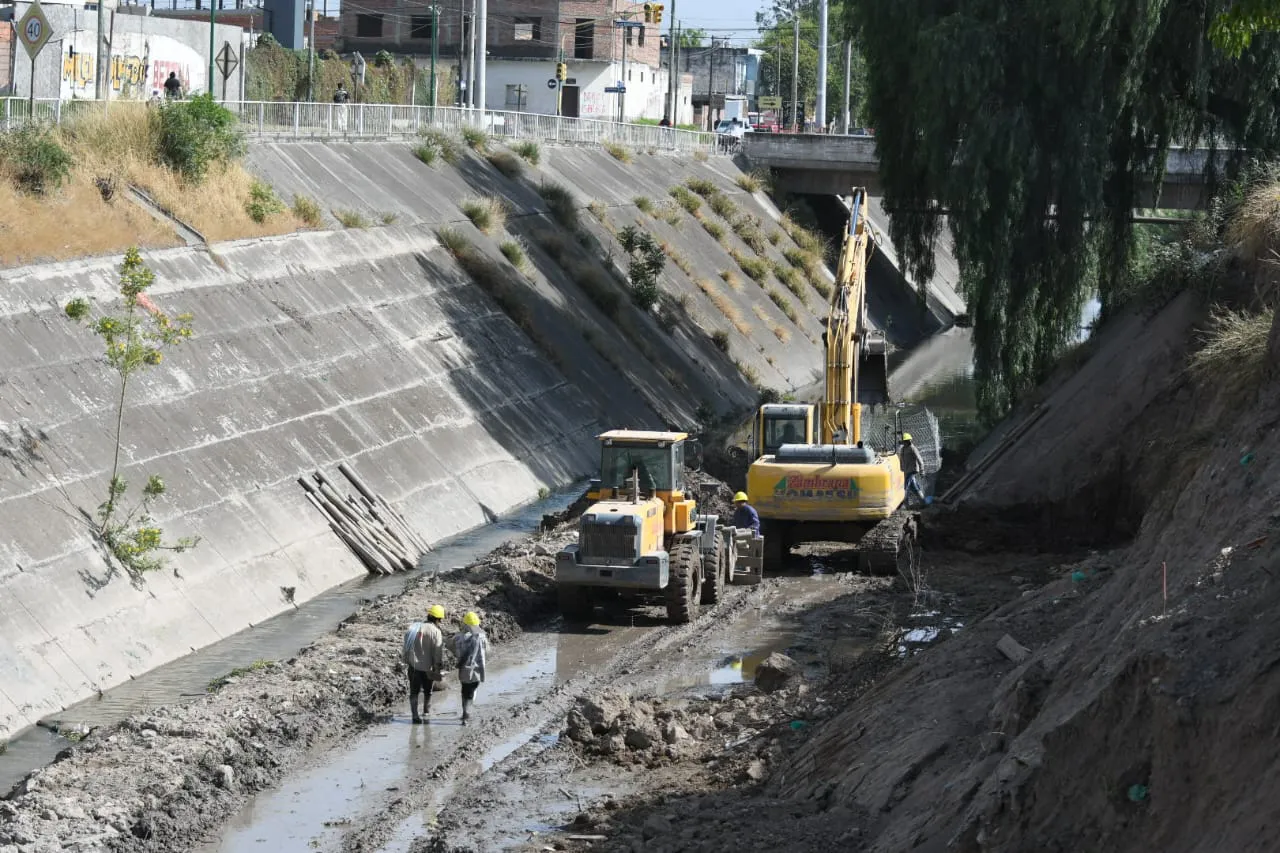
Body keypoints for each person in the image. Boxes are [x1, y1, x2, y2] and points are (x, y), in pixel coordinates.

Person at [402, 604, 445, 723]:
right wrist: (437, 667)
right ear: (438, 619)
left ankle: (415, 716)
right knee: (428, 690)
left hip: (414, 667)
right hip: (428, 668)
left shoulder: (413, 628)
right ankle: (426, 711)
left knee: (414, 692)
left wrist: (406, 661)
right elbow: (437, 652)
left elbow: (406, 647)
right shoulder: (436, 632)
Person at [453, 611, 489, 725]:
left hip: (464, 670)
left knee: (464, 690)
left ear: (465, 624)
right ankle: (466, 716)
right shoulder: (482, 637)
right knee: (472, 691)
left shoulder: (458, 637)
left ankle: (464, 712)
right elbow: (487, 652)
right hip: (477, 670)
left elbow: (457, 652)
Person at [898, 432, 927, 506]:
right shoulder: (903, 449)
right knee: (914, 486)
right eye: (904, 441)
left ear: (909, 441)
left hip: (912, 470)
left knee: (906, 487)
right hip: (906, 470)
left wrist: (922, 470)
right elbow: (901, 459)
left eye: (907, 441)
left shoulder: (912, 448)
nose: (906, 442)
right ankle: (923, 502)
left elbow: (920, 459)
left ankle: (906, 505)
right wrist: (901, 468)